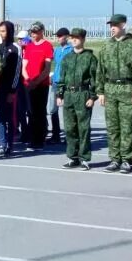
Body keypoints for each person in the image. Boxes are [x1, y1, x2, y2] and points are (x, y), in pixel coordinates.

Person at [97, 14, 132, 174]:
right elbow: (100, 70)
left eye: (115, 25)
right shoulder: (106, 46)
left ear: (123, 25)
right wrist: (100, 91)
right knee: (112, 127)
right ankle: (114, 159)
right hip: (110, 88)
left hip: (127, 89)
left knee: (127, 127)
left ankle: (127, 159)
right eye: (111, 25)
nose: (112, 27)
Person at [56, 28, 99, 170]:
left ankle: (84, 158)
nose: (74, 40)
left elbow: (95, 79)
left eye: (77, 38)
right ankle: (72, 157)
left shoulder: (90, 58)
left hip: (83, 94)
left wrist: (93, 97)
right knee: (69, 128)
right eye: (72, 37)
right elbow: (61, 78)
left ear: (83, 39)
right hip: (68, 94)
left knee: (84, 128)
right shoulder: (67, 58)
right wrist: (59, 94)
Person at [22, 21, 54, 150]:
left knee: (40, 112)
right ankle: (32, 138)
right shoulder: (29, 46)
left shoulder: (47, 46)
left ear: (42, 32)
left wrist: (36, 82)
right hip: (29, 84)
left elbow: (47, 69)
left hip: (41, 84)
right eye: (32, 32)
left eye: (36, 32)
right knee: (30, 112)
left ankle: (40, 139)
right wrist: (28, 79)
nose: (34, 34)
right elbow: (24, 66)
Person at [0, 20, 22, 157]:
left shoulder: (16, 48)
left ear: (10, 31)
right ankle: (2, 144)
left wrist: (12, 91)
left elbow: (17, 71)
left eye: (4, 31)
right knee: (0, 117)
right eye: (0, 31)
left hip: (10, 88)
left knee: (9, 117)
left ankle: (10, 145)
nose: (2, 34)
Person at [47, 27, 72, 144]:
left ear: (67, 36)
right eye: (57, 36)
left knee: (67, 110)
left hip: (66, 84)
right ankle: (55, 134)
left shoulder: (71, 50)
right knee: (52, 109)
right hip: (55, 83)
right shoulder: (56, 50)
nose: (58, 38)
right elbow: (54, 64)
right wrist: (52, 76)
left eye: (60, 36)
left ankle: (69, 136)